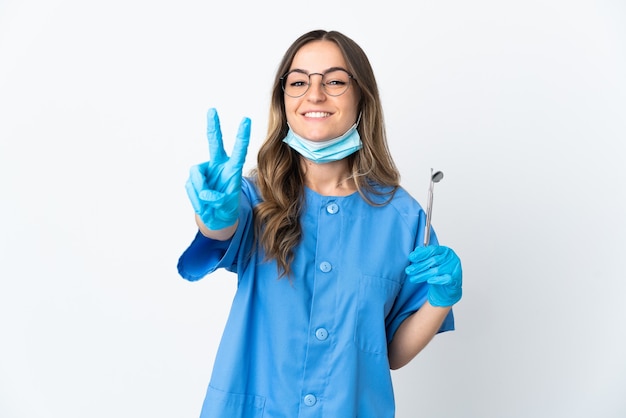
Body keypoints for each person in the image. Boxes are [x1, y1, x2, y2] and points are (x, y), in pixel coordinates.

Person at [177, 29, 463, 418]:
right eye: (298, 82)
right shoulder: (255, 197)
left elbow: (392, 353)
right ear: (284, 100)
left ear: (362, 96)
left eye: (335, 81)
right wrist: (215, 217)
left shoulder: (403, 218)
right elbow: (221, 231)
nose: (314, 94)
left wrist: (441, 298)